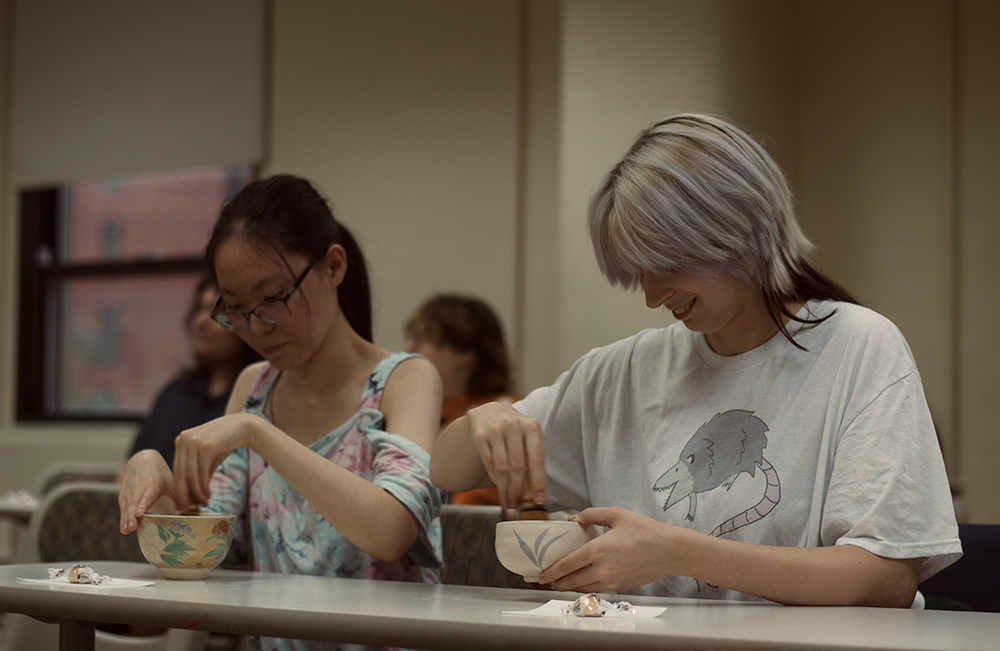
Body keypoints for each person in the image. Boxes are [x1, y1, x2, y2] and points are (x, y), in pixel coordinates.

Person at [431, 114, 962, 607]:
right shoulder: (624, 372)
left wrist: (680, 552)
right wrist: (485, 418)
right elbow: (445, 467)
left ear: (738, 227)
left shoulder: (857, 346)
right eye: (637, 271)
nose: (652, 294)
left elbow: (886, 579)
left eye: (665, 262)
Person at [119, 175, 444, 651]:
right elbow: (206, 548)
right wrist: (153, 475)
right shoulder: (255, 387)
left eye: (272, 299)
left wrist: (258, 432)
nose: (257, 326)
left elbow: (391, 530)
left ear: (332, 266)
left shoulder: (404, 380)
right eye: (236, 309)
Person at [127, 275, 261, 466]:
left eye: (216, 312)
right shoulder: (174, 391)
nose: (201, 321)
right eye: (199, 309)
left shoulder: (258, 397)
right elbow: (129, 466)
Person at [404, 294, 518, 506]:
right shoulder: (411, 415)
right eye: (411, 336)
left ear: (465, 349)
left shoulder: (508, 411)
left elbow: (464, 515)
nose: (409, 346)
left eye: (423, 338)